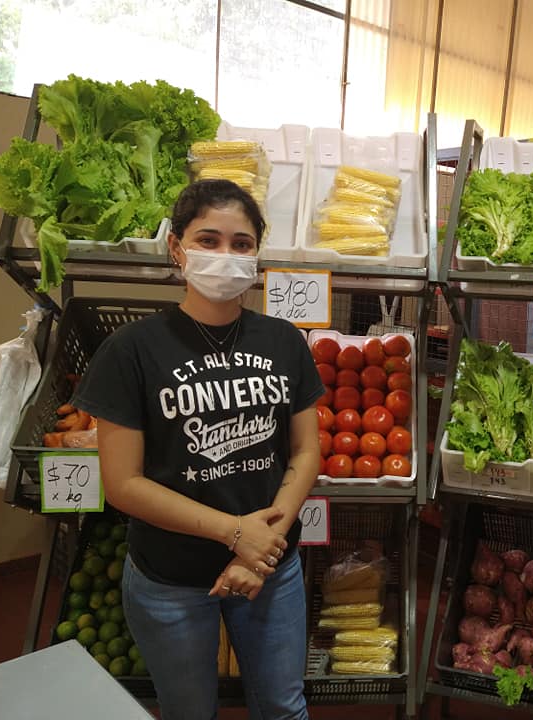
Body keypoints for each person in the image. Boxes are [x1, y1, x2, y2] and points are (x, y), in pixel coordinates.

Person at [72, 179, 323, 720]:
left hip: (272, 570)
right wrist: (236, 534)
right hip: (170, 580)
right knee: (189, 712)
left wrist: (261, 549)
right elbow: (123, 484)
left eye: (241, 243)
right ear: (176, 248)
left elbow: (306, 453)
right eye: (208, 240)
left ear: (257, 253)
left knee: (283, 706)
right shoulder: (130, 351)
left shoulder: (284, 341)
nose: (225, 256)